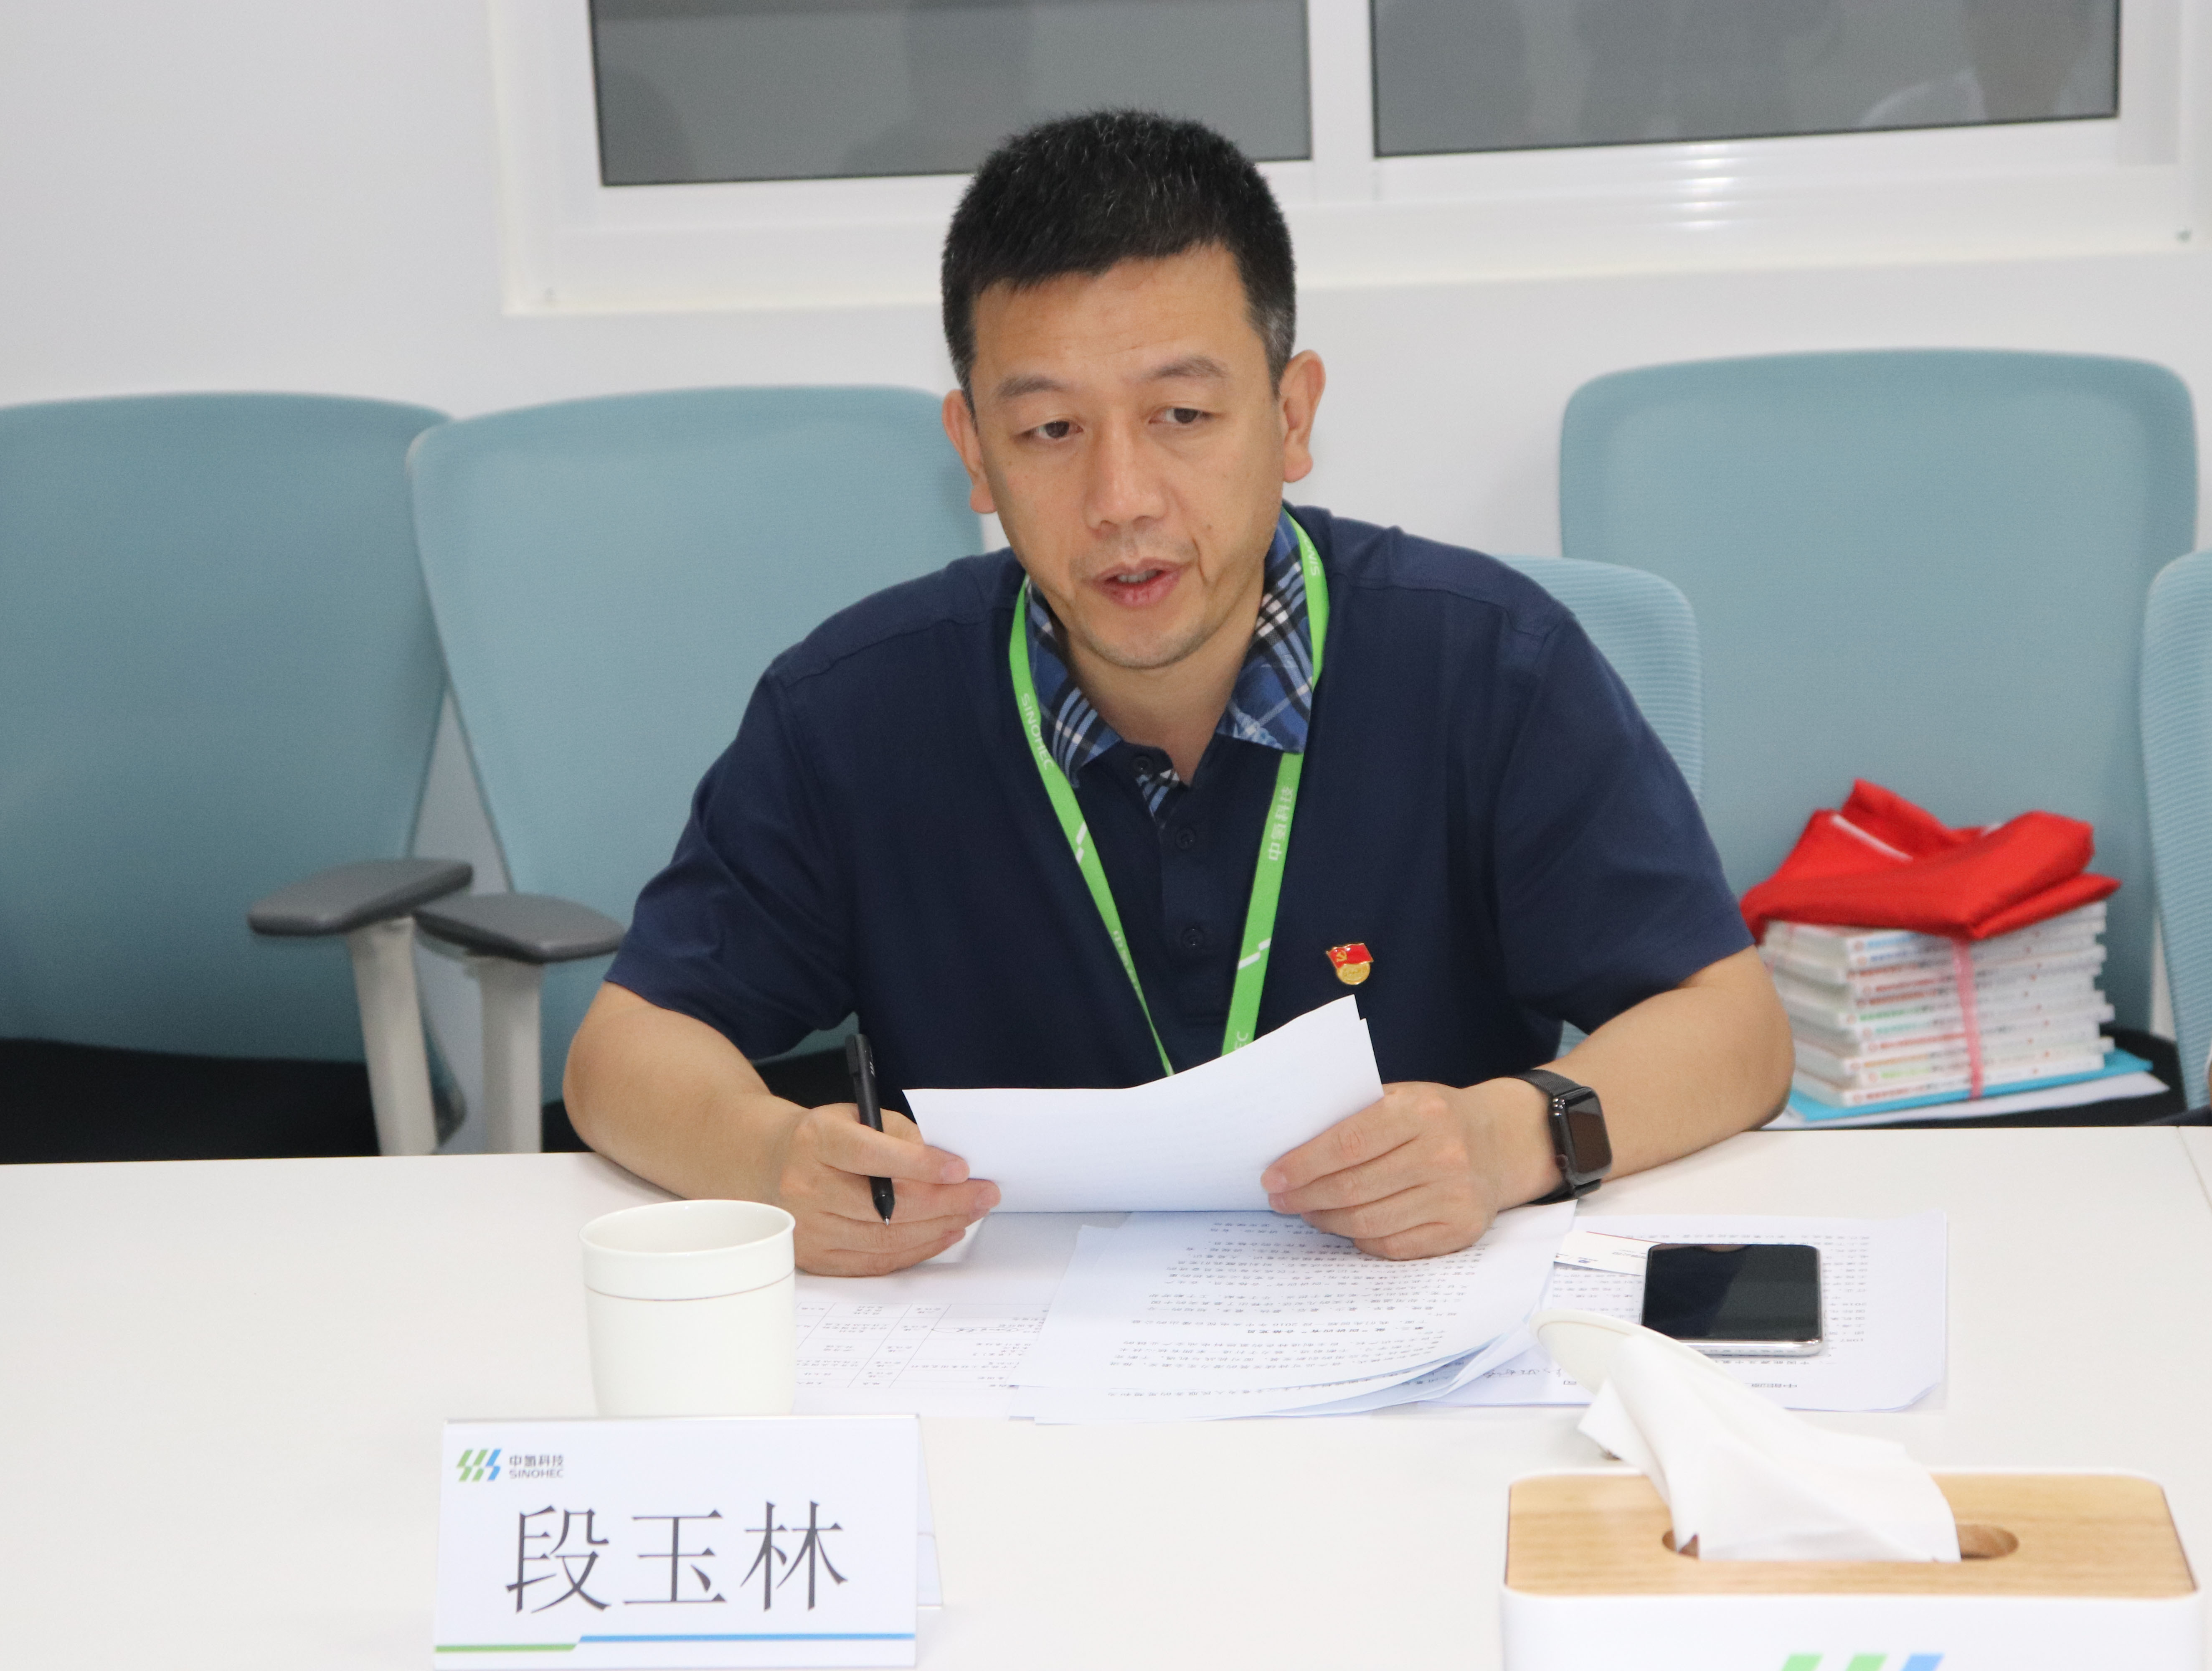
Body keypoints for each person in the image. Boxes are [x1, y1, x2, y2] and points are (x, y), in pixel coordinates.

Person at [564, 110, 1793, 1276]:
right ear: (974, 452)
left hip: (1406, 1343)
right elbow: (623, 1053)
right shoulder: (854, 713)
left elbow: (1733, 1026)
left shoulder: (1491, 669)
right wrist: (768, 1159)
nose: (1122, 500)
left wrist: (1511, 1138)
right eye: (1050, 431)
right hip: (999, 1354)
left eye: (1183, 414)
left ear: (1292, 417)